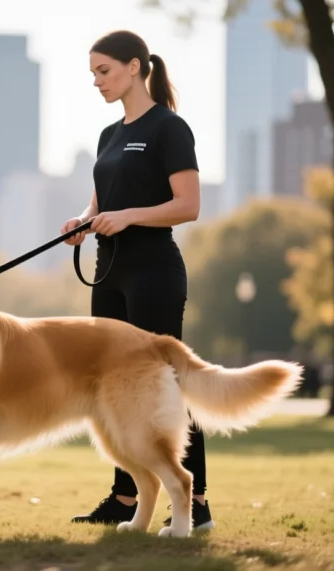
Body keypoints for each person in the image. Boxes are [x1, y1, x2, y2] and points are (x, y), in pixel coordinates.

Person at [60, 30, 213, 531]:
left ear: (134, 67)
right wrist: (83, 222)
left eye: (103, 72)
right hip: (109, 272)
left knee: (164, 385)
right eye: (93, 74)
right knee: (112, 388)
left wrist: (127, 217)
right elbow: (102, 203)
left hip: (153, 272)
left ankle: (198, 503)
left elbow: (187, 206)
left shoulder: (170, 128)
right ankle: (124, 500)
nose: (97, 82)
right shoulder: (109, 136)